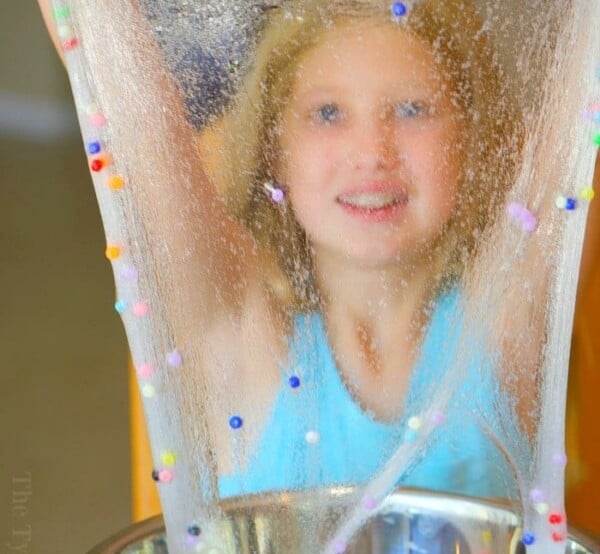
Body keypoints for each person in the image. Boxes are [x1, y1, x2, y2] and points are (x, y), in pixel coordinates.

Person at [37, 0, 598, 503]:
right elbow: (119, 82)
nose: (371, 152)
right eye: (328, 113)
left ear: (472, 140)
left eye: (412, 109)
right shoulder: (242, 332)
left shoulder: (507, 321)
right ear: (273, 147)